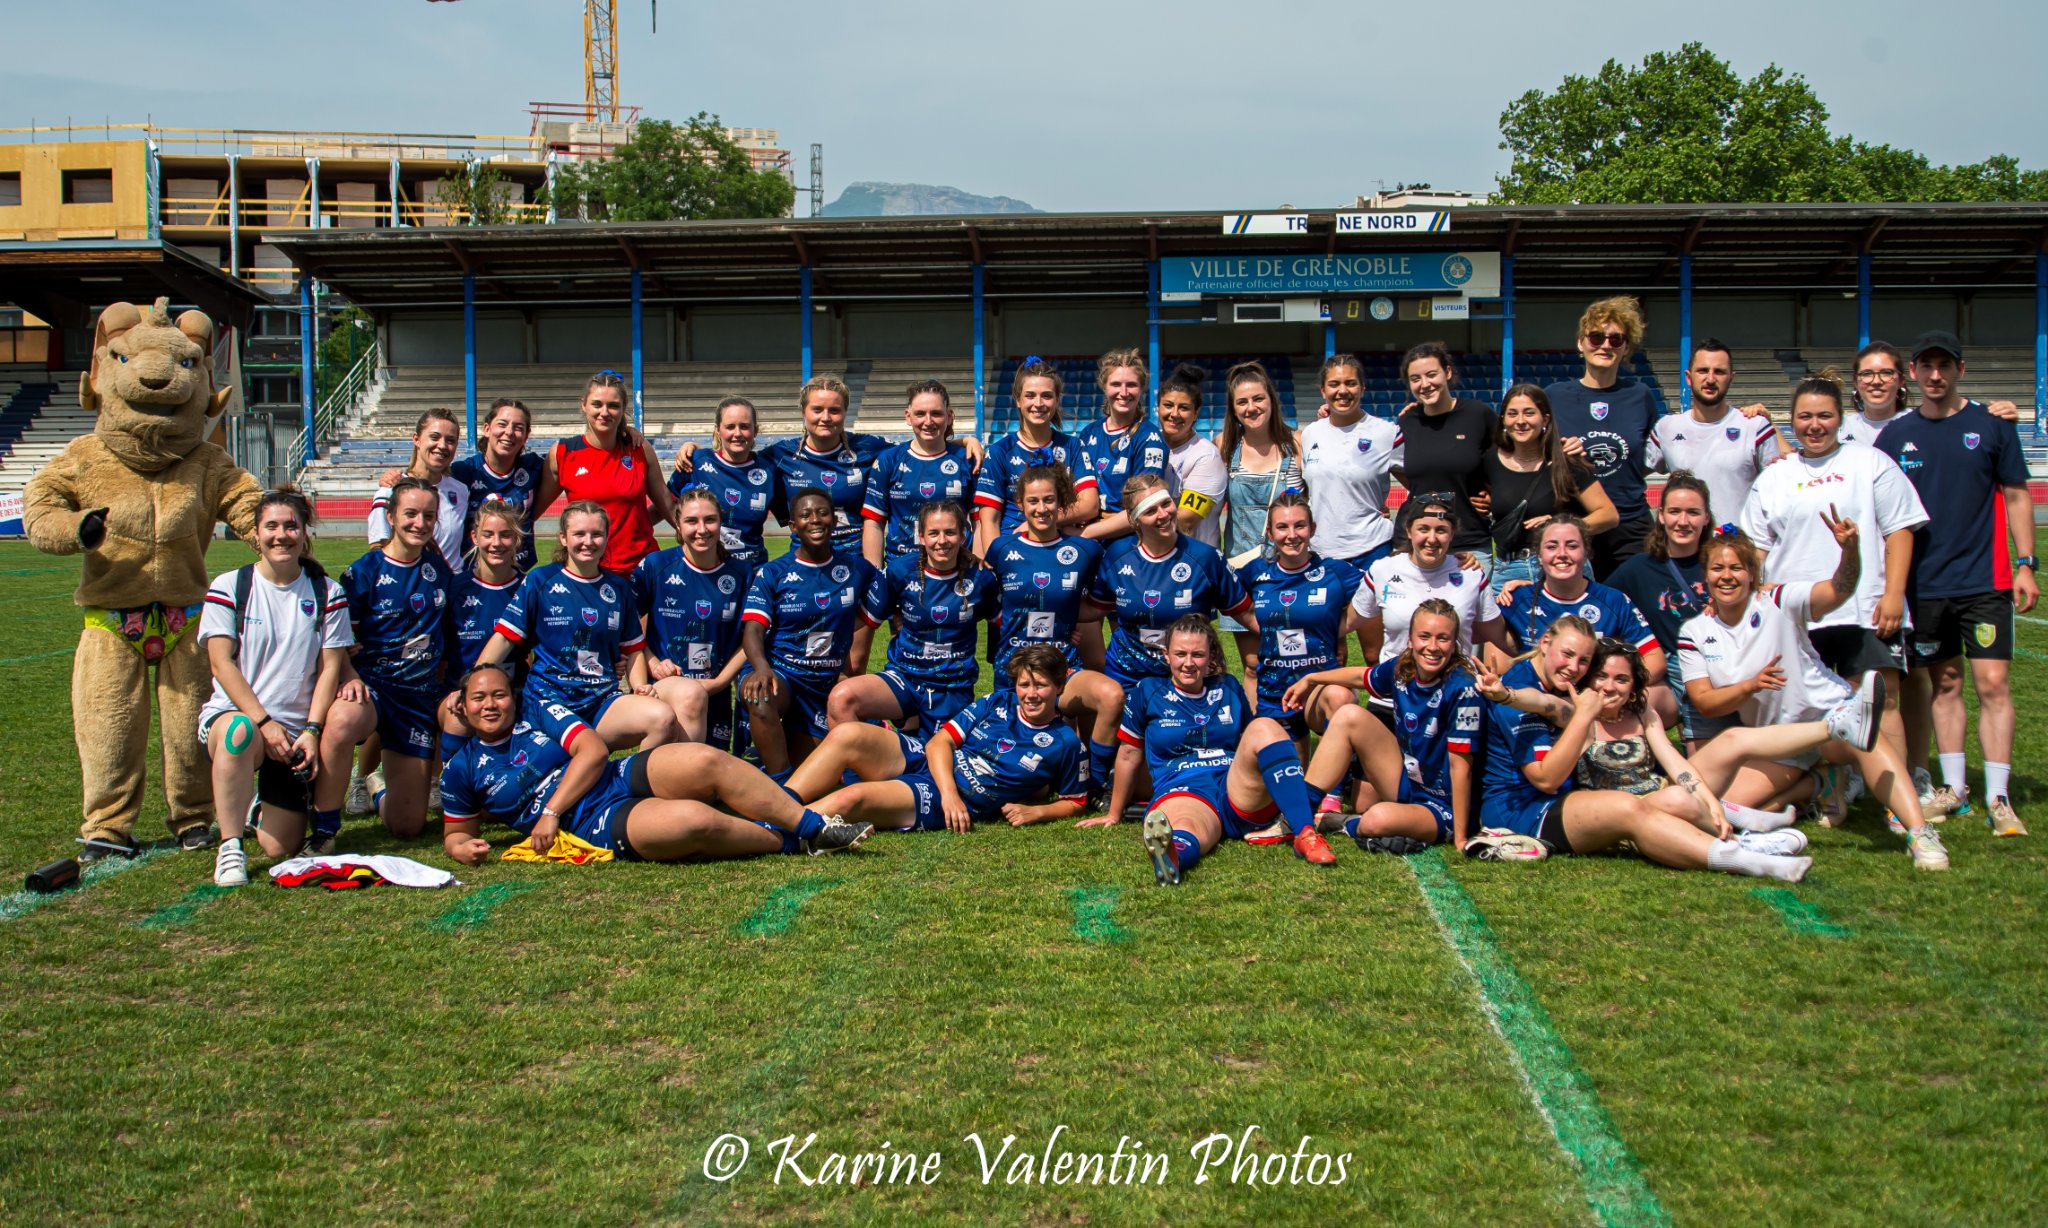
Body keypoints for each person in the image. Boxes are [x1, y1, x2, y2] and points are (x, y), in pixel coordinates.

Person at [1676, 522, 1949, 870]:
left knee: (1865, 736)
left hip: (1830, 716)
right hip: (1776, 739)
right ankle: (1816, 783)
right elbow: (1704, 701)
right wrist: (1750, 685)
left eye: (1736, 568)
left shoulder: (1777, 600)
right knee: (1712, 810)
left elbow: (1839, 589)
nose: (1726, 577)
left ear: (1752, 574)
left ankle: (1919, 832)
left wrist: (1849, 550)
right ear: (1706, 576)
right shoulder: (1696, 631)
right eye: (1717, 568)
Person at [1473, 613, 1814, 879]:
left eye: (1583, 661)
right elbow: (1546, 776)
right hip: (1523, 812)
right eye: (1567, 654)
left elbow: (1552, 706)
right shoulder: (1522, 686)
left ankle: (1746, 836)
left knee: (1675, 796)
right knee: (1629, 808)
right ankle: (1746, 859)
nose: (1574, 668)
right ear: (1545, 642)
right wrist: (1510, 696)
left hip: (1565, 798)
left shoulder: (1565, 685)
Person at [439, 663, 871, 865]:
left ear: (511, 697)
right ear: (464, 706)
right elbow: (456, 834)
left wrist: (549, 810)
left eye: (498, 695)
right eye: (479, 698)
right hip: (591, 822)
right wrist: (464, 850)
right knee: (692, 821)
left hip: (612, 776)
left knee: (705, 759)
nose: (491, 704)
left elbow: (592, 750)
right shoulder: (463, 768)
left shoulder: (538, 712)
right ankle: (789, 842)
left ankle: (814, 826)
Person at [1490, 637, 1877, 848]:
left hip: (1663, 794)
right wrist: (1505, 694)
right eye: (1602, 678)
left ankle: (1836, 728)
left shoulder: (1643, 713)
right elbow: (1539, 701)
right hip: (1625, 809)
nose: (1609, 687)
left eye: (1621, 680)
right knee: (1677, 799)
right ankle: (1745, 836)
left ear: (1634, 687)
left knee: (1734, 740)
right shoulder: (1578, 713)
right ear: (1589, 680)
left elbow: (1678, 767)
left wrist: (1709, 801)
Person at [1878, 331, 2037, 836]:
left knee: (1992, 683)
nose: (1935, 375)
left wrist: (2026, 562)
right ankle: (1953, 788)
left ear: (1960, 370)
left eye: (1944, 365)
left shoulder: (1991, 426)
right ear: (1914, 374)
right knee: (1943, 683)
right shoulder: (1895, 437)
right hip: (1924, 586)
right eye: (1926, 366)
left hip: (1984, 581)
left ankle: (1999, 795)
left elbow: (2016, 495)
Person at [1738, 374, 1926, 802]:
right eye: (1805, 416)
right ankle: (1833, 790)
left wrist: (1893, 595)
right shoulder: (1776, 476)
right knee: (1810, 710)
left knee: (1882, 702)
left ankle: (1897, 804)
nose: (1815, 424)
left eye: (1825, 415)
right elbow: (1756, 549)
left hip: (1864, 608)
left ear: (1841, 420)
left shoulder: (1870, 462)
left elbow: (1900, 531)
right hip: (1798, 614)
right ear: (1792, 421)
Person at [197, 489, 353, 886]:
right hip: (240, 722)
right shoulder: (231, 586)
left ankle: (255, 809)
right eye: (271, 526)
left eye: (290, 526)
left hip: (293, 735)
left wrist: (312, 731)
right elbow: (221, 663)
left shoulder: (326, 592)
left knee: (280, 847)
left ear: (304, 534)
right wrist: (263, 722)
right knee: (238, 732)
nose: (281, 535)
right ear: (256, 533)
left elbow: (330, 668)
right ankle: (230, 847)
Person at [1110, 616, 1338, 883]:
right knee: (1186, 824)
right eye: (1180, 654)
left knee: (1264, 725)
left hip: (1236, 787)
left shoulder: (1227, 686)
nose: (1188, 663)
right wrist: (1114, 813)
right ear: (1166, 655)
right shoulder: (1147, 691)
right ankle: (1173, 856)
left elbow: (1250, 740)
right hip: (1184, 785)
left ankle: (1305, 833)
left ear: (1210, 656)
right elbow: (1128, 752)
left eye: (1198, 655)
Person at [804, 646, 1091, 833]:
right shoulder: (998, 700)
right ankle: (785, 801)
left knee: (852, 798)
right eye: (1024, 684)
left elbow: (1076, 802)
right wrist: (951, 793)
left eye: (1041, 685)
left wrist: (1036, 812)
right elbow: (938, 742)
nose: (1030, 694)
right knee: (847, 734)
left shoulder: (1066, 743)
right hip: (933, 765)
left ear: (1059, 687)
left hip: (938, 794)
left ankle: (780, 826)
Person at [476, 500, 680, 755]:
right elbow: (504, 639)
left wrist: (639, 686)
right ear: (563, 538)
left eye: (596, 534)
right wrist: (473, 684)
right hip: (550, 699)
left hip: (601, 699)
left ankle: (631, 786)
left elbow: (634, 648)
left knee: (662, 718)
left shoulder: (618, 588)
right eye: (579, 534)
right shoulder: (541, 581)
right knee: (589, 750)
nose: (588, 541)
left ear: (606, 538)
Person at [1290, 599, 1482, 854]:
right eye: (1424, 636)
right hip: (1410, 782)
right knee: (1349, 715)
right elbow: (1361, 676)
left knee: (1376, 818)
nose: (1432, 647)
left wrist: (1460, 837)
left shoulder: (1463, 689)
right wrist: (1311, 678)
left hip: (1445, 804)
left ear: (1455, 643)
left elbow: (1461, 767)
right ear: (1410, 640)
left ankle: (1346, 824)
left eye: (1443, 638)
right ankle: (1299, 820)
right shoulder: (1404, 667)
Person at [984, 465, 1126, 806]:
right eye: (1033, 501)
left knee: (1110, 694)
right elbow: (987, 606)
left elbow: (1099, 601)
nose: (1041, 508)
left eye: (1049, 499)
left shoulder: (1085, 551)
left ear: (1061, 502)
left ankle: (1096, 783)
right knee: (1025, 781)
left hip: (1063, 668)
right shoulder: (1001, 550)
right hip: (1014, 672)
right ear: (1020, 503)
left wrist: (1071, 622)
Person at [325, 478, 453, 839]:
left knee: (408, 825)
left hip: (417, 699)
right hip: (372, 689)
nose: (420, 523)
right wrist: (349, 674)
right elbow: (336, 643)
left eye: (429, 516)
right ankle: (324, 823)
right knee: (342, 720)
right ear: (391, 516)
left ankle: (375, 786)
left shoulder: (440, 573)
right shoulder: (361, 573)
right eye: (410, 514)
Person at [738, 487, 878, 773]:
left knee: (826, 768)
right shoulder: (773, 572)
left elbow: (896, 591)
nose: (815, 520)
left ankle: (783, 755)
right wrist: (762, 668)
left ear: (834, 521)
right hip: (783, 675)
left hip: (825, 683)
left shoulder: (857, 569)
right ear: (792, 526)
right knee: (761, 697)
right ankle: (781, 786)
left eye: (823, 513)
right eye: (805, 515)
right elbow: (753, 630)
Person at [832, 500, 999, 734]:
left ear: (963, 536)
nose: (941, 541)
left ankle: (909, 728)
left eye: (950, 532)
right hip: (905, 677)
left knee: (935, 758)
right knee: (842, 698)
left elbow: (1004, 624)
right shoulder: (900, 571)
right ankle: (858, 766)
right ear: (921, 537)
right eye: (933, 533)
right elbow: (866, 620)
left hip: (952, 686)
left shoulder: (981, 577)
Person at [1492, 517, 1672, 725]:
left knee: (1658, 693)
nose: (1562, 554)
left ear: (1586, 553)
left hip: (1597, 703)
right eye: (1552, 546)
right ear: (1539, 556)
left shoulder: (1613, 600)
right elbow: (1498, 664)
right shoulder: (1517, 598)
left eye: (1572, 546)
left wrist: (1613, 691)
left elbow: (1655, 660)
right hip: (1537, 702)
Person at [1087, 472, 1253, 687]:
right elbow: (1093, 609)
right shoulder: (1117, 555)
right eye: (1150, 510)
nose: (1163, 514)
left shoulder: (1205, 557)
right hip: (1128, 675)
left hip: (1188, 675)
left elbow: (1245, 613)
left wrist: (1296, 629)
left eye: (1166, 503)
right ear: (1134, 520)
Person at [1605, 472, 1726, 749]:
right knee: (1636, 699)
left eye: (1693, 513)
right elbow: (1594, 600)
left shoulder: (1722, 562)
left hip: (1720, 668)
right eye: (1674, 512)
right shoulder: (1637, 569)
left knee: (1713, 769)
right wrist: (1534, 586)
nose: (1683, 521)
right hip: (1674, 675)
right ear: (1661, 516)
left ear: (1706, 518)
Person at [1543, 296, 1660, 578]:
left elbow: (1649, 457)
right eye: (1596, 337)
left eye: (1615, 340)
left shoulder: (1640, 395)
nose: (1605, 345)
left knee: (1634, 610)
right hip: (1577, 525)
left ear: (1626, 348)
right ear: (1581, 343)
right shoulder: (1554, 396)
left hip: (1631, 526)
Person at [631, 485, 754, 750]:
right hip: (664, 686)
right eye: (691, 521)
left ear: (721, 523)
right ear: (677, 525)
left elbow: (751, 639)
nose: (701, 529)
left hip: (714, 691)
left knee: (707, 776)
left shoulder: (742, 574)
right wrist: (652, 662)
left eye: (710, 520)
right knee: (667, 766)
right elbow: (626, 626)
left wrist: (720, 683)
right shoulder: (655, 566)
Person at [1233, 493, 1364, 740]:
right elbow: (1224, 595)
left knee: (1341, 697)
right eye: (1282, 527)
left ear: (1312, 529)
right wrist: (1257, 625)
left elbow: (1378, 591)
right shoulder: (1255, 572)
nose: (1292, 535)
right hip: (1275, 692)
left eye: (1300, 526)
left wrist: (1339, 628)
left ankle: (1345, 774)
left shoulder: (1335, 572)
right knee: (1287, 774)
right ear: (1270, 533)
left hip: (1320, 689)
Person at [537, 370, 679, 576]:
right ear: (583, 404)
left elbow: (668, 507)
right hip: (589, 573)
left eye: (613, 405)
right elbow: (531, 512)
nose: (604, 412)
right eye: (597, 404)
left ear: (623, 409)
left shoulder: (639, 449)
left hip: (640, 571)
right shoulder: (563, 453)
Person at [1483, 383, 1616, 596]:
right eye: (1512, 414)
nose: (1520, 421)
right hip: (1508, 569)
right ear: (1503, 420)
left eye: (1529, 413)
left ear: (1545, 419)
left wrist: (1558, 527)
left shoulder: (1566, 462)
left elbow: (1608, 515)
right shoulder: (1490, 461)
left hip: (1562, 565)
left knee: (1571, 629)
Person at [1351, 496, 1509, 672]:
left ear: (1452, 533)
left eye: (1441, 530)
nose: (1432, 539)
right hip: (1396, 690)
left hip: (1455, 691)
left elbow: (1500, 635)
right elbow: (1347, 623)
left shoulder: (1471, 574)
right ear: (1409, 530)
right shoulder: (1382, 570)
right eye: (1423, 529)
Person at [1645, 339, 1789, 527]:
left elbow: (1783, 485)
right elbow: (1630, 474)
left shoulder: (1754, 427)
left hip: (1737, 550)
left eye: (1719, 372)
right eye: (1703, 370)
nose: (1710, 379)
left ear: (1731, 378)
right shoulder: (1667, 428)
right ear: (1688, 377)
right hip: (1686, 548)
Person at [974, 357, 1097, 554]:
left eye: (1046, 396)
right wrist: (996, 563)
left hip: (1060, 549)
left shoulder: (1073, 447)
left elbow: (1089, 505)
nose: (1038, 403)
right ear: (1018, 400)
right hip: (1013, 549)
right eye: (1030, 395)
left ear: (1057, 400)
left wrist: (1038, 521)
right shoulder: (999, 452)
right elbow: (989, 520)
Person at [438, 498, 528, 756]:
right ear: (475, 537)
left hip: (514, 694)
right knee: (459, 714)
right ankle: (448, 787)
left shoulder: (529, 588)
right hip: (458, 692)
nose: (496, 543)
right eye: (488, 535)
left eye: (505, 535)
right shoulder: (455, 588)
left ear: (517, 540)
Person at [1299, 354, 1404, 570]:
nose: (1343, 390)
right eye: (1334, 384)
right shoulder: (1310, 433)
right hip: (1321, 552)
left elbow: (1418, 486)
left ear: (1362, 388)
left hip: (1372, 550)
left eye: (1351, 383)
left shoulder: (1387, 433)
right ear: (1323, 391)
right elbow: (1311, 491)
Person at [860, 380, 975, 567]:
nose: (928, 422)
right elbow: (874, 523)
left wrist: (976, 568)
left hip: (956, 570)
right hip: (902, 570)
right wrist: (875, 575)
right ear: (908, 416)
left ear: (949, 416)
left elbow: (980, 522)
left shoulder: (967, 460)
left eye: (936, 414)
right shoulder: (888, 460)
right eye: (920, 414)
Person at [1395, 342, 1496, 555]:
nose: (1425, 384)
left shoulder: (1478, 415)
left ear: (1448, 372)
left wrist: (1497, 498)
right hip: (1417, 544)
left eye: (1431, 374)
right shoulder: (1407, 422)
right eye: (1415, 379)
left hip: (1469, 543)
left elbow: (1508, 462)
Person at [666, 396, 782, 569]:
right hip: (705, 568)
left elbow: (792, 523)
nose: (737, 433)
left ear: (755, 430)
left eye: (744, 426)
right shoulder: (695, 462)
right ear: (718, 430)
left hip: (751, 570)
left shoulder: (769, 471)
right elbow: (663, 504)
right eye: (730, 427)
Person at [1840, 340, 2021, 448]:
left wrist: (2004, 416)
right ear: (1856, 381)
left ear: (1902, 380)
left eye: (1886, 373)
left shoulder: (1922, 423)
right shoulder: (1838, 428)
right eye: (1867, 374)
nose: (1876, 381)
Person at [1075, 347, 1168, 542]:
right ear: (1104, 386)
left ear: (1142, 388)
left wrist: (1084, 533)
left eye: (1131, 385)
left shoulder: (1149, 439)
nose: (1123, 392)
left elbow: (1145, 506)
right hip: (1087, 534)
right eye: (1116, 384)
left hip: (1127, 539)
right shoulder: (1088, 433)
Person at [449, 397, 544, 569]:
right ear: (486, 429)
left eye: (518, 428)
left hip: (517, 575)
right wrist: (396, 477)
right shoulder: (463, 472)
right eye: (502, 424)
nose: (509, 432)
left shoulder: (534, 467)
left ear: (526, 436)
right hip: (474, 577)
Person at [368, 407, 470, 563]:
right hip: (410, 585)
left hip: (451, 585)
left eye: (450, 440)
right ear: (416, 439)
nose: (442, 445)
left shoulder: (461, 491)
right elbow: (377, 549)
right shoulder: (390, 490)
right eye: (434, 437)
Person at [1156, 363, 1229, 549]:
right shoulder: (1147, 446)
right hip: (1154, 557)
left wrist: (1124, 524)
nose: (1174, 414)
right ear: (1158, 407)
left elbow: (1185, 520)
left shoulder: (1206, 456)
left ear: (1196, 413)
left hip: (1195, 562)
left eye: (1184, 408)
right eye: (1168, 405)